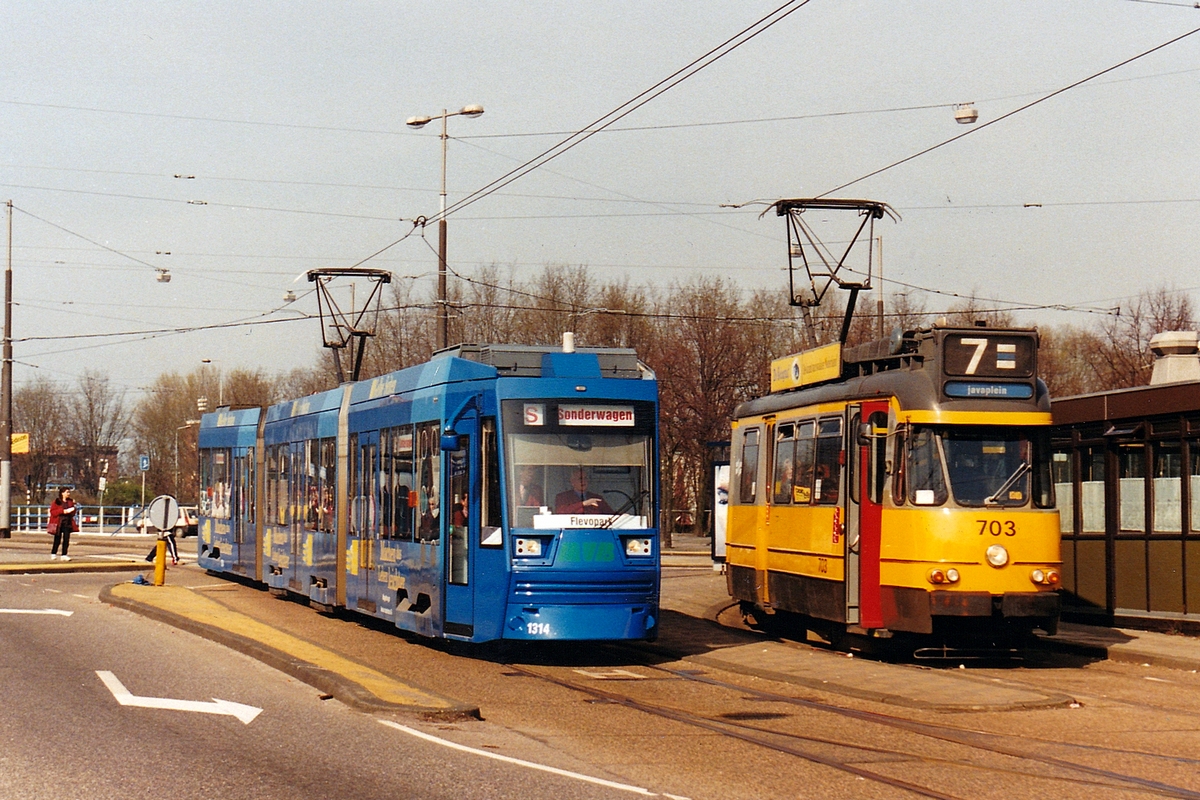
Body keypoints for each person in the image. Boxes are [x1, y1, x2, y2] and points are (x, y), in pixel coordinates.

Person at [48, 487, 78, 562]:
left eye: (69, 492)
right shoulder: (57, 501)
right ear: (62, 493)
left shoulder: (70, 501)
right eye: (67, 492)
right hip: (58, 522)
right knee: (57, 539)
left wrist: (73, 509)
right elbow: (53, 512)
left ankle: (64, 554)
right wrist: (63, 511)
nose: (68, 494)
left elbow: (73, 513)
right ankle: (53, 553)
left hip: (67, 522)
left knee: (66, 538)